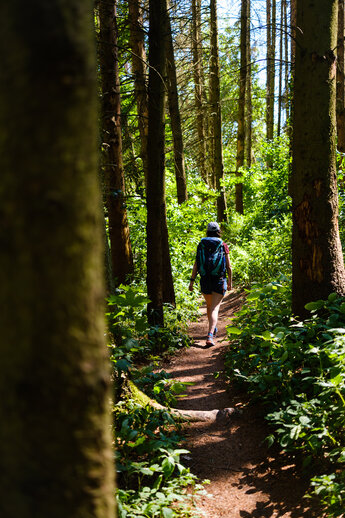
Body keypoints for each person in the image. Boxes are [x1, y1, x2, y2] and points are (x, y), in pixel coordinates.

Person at [189, 222, 232, 346]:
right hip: (219, 279)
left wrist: (192, 281)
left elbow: (196, 264)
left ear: (207, 231)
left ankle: (212, 329)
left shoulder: (201, 244)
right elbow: (228, 266)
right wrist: (229, 282)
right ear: (218, 231)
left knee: (209, 306)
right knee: (214, 308)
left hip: (205, 279)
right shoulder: (223, 245)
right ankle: (210, 335)